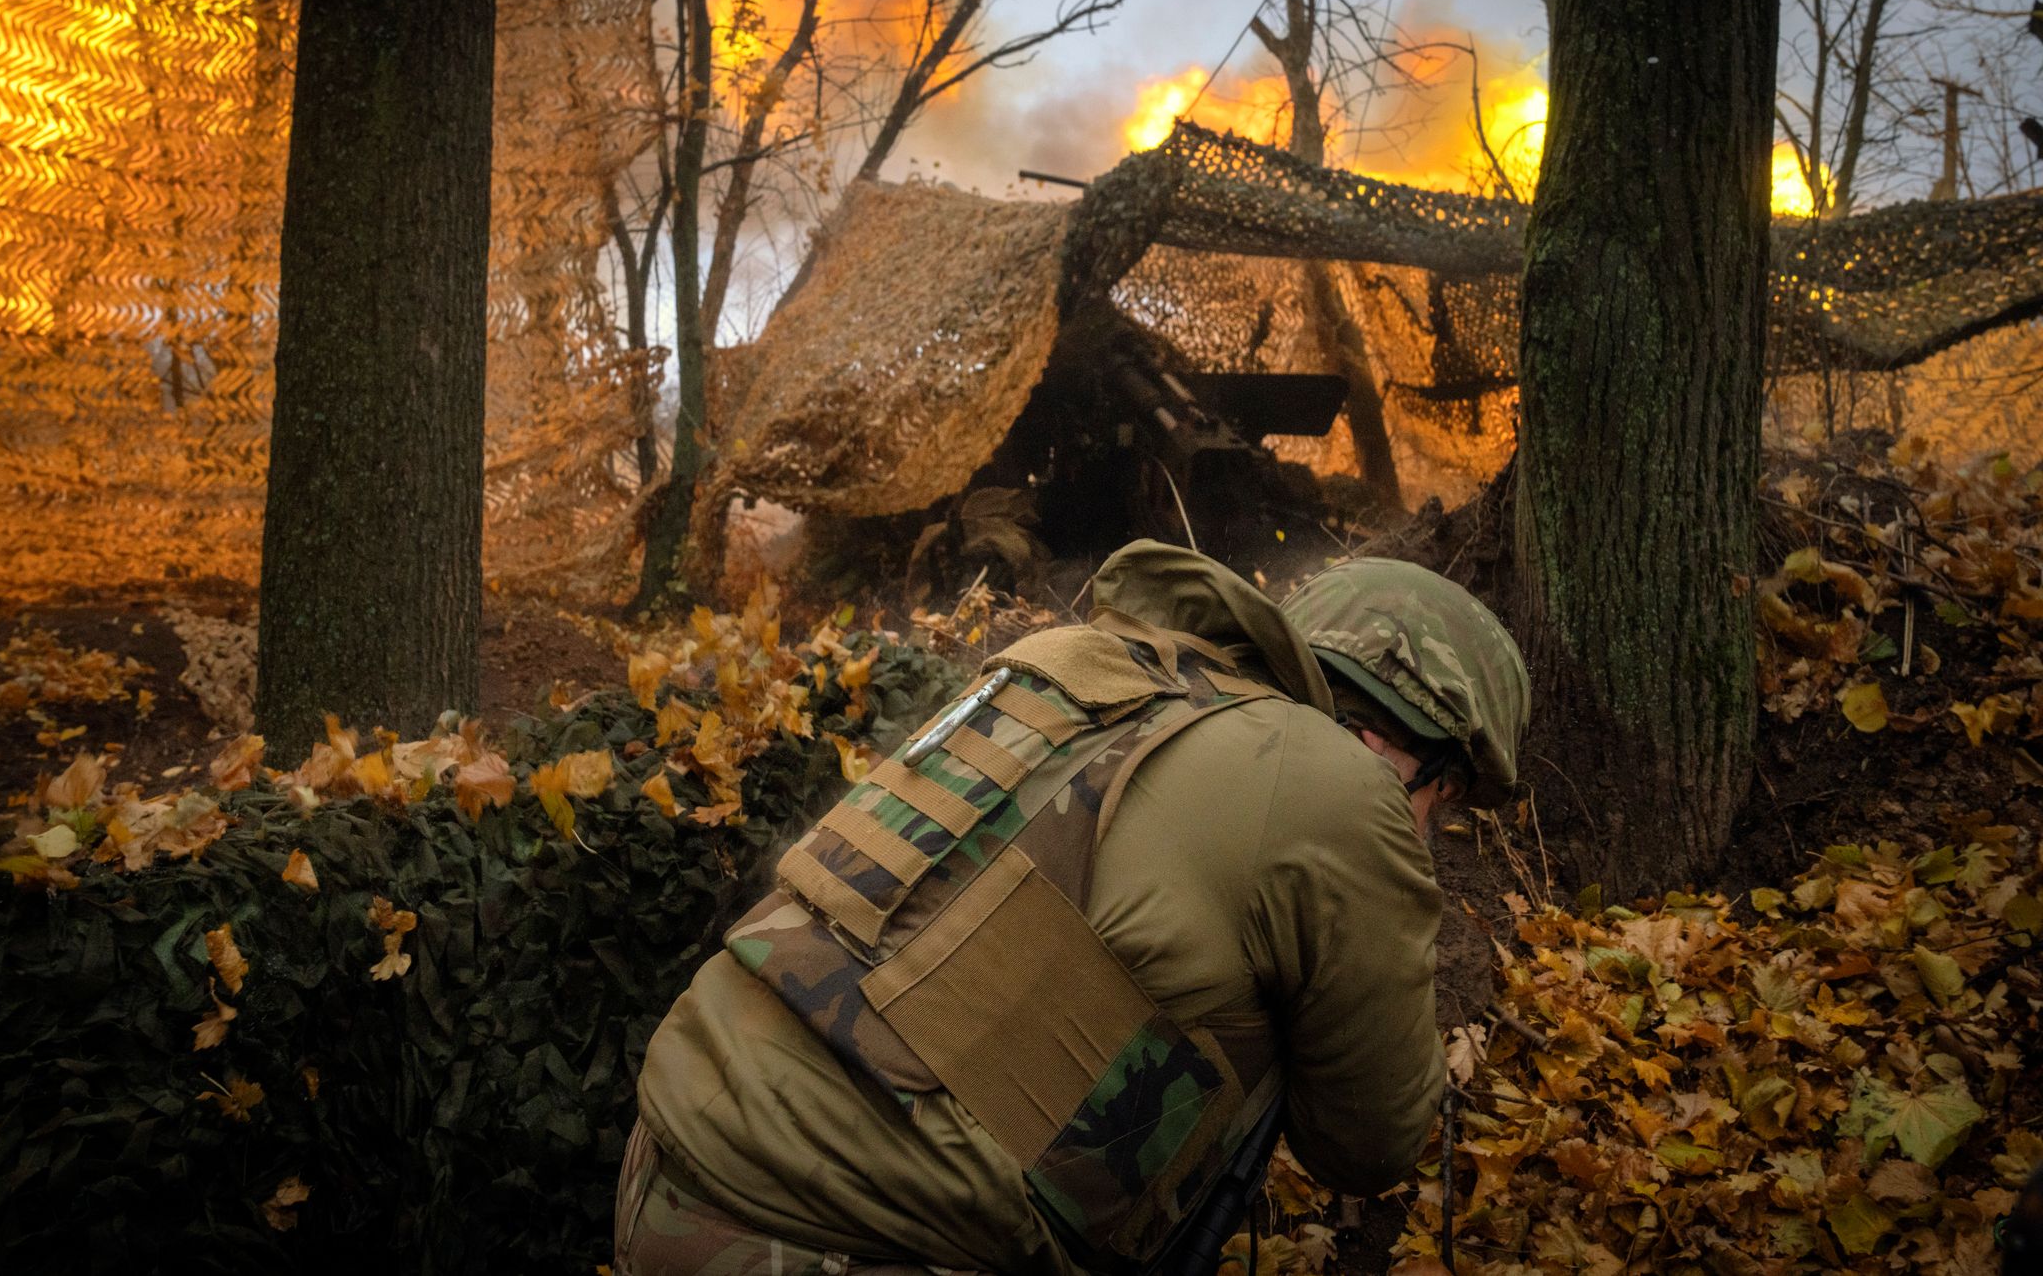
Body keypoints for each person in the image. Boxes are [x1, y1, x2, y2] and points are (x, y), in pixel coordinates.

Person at [615, 540, 1530, 1275]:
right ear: (1414, 754)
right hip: (845, 1238)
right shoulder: (1342, 788)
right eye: (1438, 804)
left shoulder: (1082, 669)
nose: (1425, 827)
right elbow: (1371, 1142)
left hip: (668, 1151)